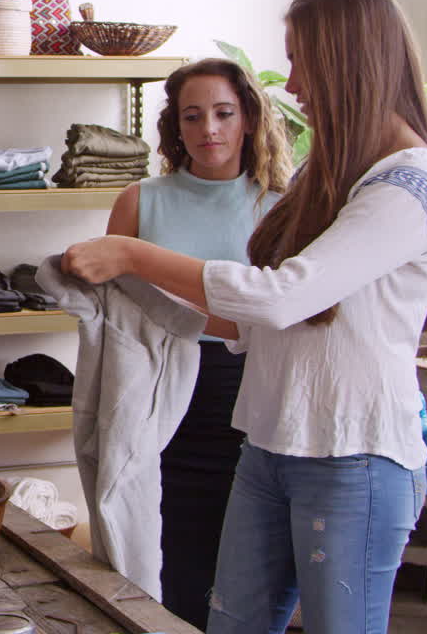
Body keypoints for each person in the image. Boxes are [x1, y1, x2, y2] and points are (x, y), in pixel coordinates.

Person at [61, 0, 427, 634]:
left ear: (347, 59)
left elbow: (282, 297)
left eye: (302, 60)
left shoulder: (411, 186)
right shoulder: (327, 175)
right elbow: (258, 322)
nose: (294, 85)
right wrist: (143, 304)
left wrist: (134, 257)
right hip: (270, 443)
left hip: (352, 457)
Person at [103, 57, 291, 629]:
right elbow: (119, 311)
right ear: (175, 128)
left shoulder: (281, 205)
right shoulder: (141, 200)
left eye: (223, 113)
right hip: (162, 392)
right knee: (169, 552)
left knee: (245, 557)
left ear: (250, 120)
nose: (208, 128)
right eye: (193, 116)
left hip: (251, 393)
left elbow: (287, 310)